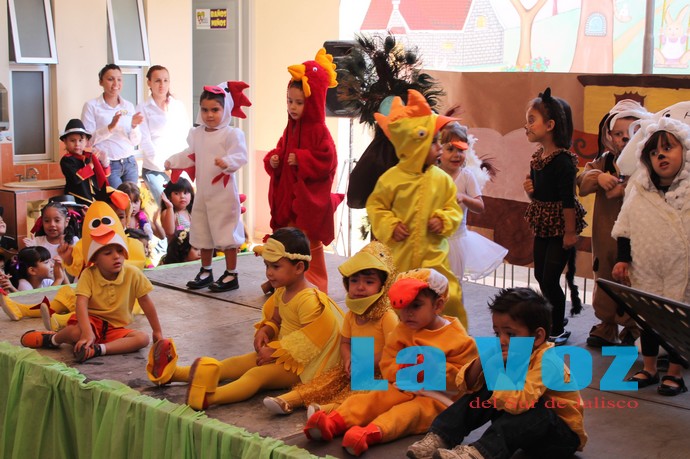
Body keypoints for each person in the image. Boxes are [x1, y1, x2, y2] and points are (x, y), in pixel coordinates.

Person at [146, 227, 344, 410]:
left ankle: (210, 398)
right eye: (267, 265)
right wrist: (266, 330)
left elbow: (312, 341)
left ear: (299, 267)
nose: (269, 273)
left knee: (256, 375)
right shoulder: (282, 290)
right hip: (279, 352)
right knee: (234, 363)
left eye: (276, 266)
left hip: (301, 366)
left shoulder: (308, 300)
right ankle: (174, 374)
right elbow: (276, 320)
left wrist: (276, 352)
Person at [304, 268, 477, 456]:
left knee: (408, 413)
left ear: (438, 305)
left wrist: (431, 370)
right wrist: (401, 368)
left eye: (416, 306)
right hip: (401, 386)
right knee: (372, 399)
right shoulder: (403, 329)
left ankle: (370, 434)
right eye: (403, 306)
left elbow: (465, 379)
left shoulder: (459, 339)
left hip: (436, 400)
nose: (407, 313)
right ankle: (334, 421)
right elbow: (387, 362)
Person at [407, 287, 587, 459]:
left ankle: (481, 452)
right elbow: (466, 385)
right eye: (497, 333)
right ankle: (441, 436)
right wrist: (483, 362)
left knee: (534, 407)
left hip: (558, 439)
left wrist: (497, 372)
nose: (502, 340)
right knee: (488, 386)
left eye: (511, 334)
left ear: (538, 337)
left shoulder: (548, 362)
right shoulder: (506, 350)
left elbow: (520, 403)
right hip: (525, 433)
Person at [263, 241, 399, 415]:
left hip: (382, 372)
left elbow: (394, 350)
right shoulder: (352, 315)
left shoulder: (387, 317)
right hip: (355, 366)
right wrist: (347, 358)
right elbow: (345, 342)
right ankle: (287, 400)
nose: (360, 287)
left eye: (369, 282)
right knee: (325, 382)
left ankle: (325, 411)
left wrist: (364, 364)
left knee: (361, 395)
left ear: (384, 285)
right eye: (354, 281)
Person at [366, 89, 465, 326]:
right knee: (397, 304)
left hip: (434, 260)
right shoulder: (391, 179)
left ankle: (451, 338)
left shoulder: (442, 180)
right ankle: (398, 339)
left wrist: (444, 219)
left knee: (447, 299)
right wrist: (390, 225)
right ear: (413, 145)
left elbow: (453, 208)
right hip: (400, 260)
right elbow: (376, 207)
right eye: (433, 142)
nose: (439, 147)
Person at [19, 201, 164, 363]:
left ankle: (98, 349)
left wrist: (157, 331)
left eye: (119, 251)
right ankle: (53, 339)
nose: (116, 256)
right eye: (108, 253)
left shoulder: (133, 273)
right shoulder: (89, 274)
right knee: (76, 333)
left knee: (142, 339)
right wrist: (87, 332)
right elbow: (81, 304)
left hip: (114, 327)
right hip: (90, 322)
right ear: (95, 258)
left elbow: (146, 302)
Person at [612, 116, 690, 396]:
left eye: (668, 148)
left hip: (682, 268)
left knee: (678, 319)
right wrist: (622, 259)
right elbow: (625, 226)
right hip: (645, 265)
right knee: (648, 318)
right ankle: (649, 367)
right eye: (654, 152)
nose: (661, 156)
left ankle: (675, 373)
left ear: (685, 150)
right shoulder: (639, 190)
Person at [264, 48, 344, 293]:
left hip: (307, 204)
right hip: (289, 200)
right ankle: (284, 279)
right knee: (286, 241)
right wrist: (274, 159)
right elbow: (280, 149)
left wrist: (301, 158)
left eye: (299, 103)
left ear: (313, 102)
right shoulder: (290, 129)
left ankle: (315, 283)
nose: (293, 107)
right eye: (290, 101)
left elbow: (328, 160)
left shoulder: (319, 131)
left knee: (307, 243)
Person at [577, 100, 650, 348]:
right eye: (618, 134)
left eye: (630, 134)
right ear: (609, 136)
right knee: (604, 275)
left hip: (635, 235)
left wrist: (625, 188)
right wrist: (599, 177)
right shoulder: (605, 161)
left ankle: (633, 326)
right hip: (605, 235)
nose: (623, 139)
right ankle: (607, 324)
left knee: (632, 278)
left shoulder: (645, 163)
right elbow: (582, 181)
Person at [165, 84, 249, 292]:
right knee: (203, 232)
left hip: (224, 194)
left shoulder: (231, 134)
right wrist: (173, 161)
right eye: (205, 109)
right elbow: (190, 155)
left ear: (225, 109)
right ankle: (206, 270)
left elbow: (240, 156)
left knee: (227, 234)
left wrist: (227, 161)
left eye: (215, 110)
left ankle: (231, 273)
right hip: (203, 194)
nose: (209, 115)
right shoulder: (198, 134)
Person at [523, 87, 586, 346]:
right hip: (543, 223)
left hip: (560, 225)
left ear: (550, 125)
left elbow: (567, 200)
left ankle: (557, 328)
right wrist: (530, 190)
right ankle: (553, 317)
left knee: (550, 278)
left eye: (531, 120)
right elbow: (538, 193)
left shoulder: (563, 161)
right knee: (540, 275)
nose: (526, 126)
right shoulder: (538, 157)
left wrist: (570, 233)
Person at [439, 122, 507, 282]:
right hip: (434, 240)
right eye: (450, 149)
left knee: (454, 283)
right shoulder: (433, 174)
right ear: (438, 150)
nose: (456, 155)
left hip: (457, 240)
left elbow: (480, 206)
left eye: (461, 150)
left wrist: (464, 198)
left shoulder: (466, 176)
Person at [81, 64, 143, 189]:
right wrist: (109, 127)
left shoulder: (128, 106)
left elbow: (135, 141)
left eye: (119, 79)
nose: (116, 84)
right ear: (101, 82)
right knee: (117, 199)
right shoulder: (91, 106)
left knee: (133, 200)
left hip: (129, 162)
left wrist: (134, 126)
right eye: (110, 79)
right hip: (107, 164)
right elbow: (87, 142)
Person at [137, 65, 191, 207]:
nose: (162, 85)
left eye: (165, 80)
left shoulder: (178, 106)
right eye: (157, 81)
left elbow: (186, 136)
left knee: (184, 208)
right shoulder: (142, 108)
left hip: (179, 167)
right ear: (149, 83)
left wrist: (182, 164)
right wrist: (165, 167)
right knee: (168, 207)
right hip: (156, 169)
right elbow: (145, 142)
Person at [24, 200, 81, 285]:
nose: (52, 224)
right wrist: (31, 250)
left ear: (66, 221)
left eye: (57, 220)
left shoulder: (74, 242)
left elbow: (79, 270)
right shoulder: (37, 241)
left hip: (69, 286)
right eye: (47, 221)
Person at [59, 119, 109, 205]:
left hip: (95, 201)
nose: (77, 144)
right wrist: (91, 165)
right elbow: (76, 178)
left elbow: (103, 176)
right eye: (72, 140)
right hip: (77, 201)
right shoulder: (66, 160)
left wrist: (105, 163)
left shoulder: (89, 156)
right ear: (65, 141)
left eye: (80, 140)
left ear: (86, 141)